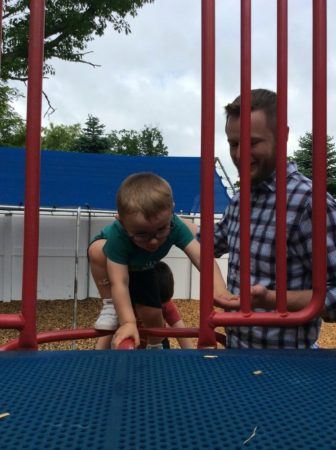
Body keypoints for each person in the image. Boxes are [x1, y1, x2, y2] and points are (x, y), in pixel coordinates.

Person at [208, 88, 336, 349]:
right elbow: (208, 243)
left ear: (283, 136)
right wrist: (165, 226)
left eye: (253, 142)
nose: (240, 155)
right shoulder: (240, 199)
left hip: (289, 367)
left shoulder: (309, 203)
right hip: (236, 354)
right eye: (234, 144)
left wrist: (273, 299)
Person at [88, 172, 232, 349]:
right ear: (122, 221)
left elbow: (202, 257)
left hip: (143, 268)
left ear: (171, 211)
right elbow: (120, 282)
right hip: (113, 266)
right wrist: (128, 323)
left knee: (153, 314)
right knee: (96, 250)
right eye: (142, 234)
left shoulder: (175, 225)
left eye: (161, 230)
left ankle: (156, 349)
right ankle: (109, 304)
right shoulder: (119, 235)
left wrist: (219, 288)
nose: (154, 240)